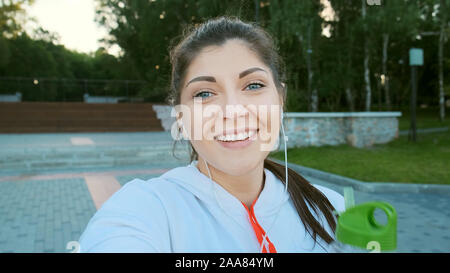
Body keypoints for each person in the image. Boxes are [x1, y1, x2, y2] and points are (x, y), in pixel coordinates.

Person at [78, 16, 345, 253]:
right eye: (204, 93)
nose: (233, 110)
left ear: (281, 99)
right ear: (180, 116)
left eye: (253, 85)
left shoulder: (331, 209)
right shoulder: (145, 209)